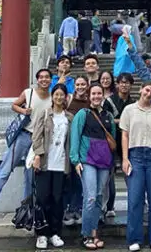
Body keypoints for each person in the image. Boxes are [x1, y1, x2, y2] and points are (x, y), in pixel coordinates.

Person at [0, 69, 52, 224]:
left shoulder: (53, 98)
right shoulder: (29, 93)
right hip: (23, 136)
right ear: (37, 79)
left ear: (51, 80)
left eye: (47, 77)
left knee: (30, 177)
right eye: (41, 77)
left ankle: (27, 210)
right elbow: (14, 105)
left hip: (38, 141)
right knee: (5, 171)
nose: (44, 80)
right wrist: (23, 110)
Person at [120, 80, 151, 252]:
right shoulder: (129, 110)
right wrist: (125, 159)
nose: (149, 94)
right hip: (135, 157)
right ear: (141, 90)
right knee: (135, 199)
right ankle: (134, 238)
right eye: (147, 90)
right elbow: (125, 135)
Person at [70, 84, 115, 250]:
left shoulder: (108, 115)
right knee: (89, 197)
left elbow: (112, 140)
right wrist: (75, 160)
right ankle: (86, 234)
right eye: (93, 94)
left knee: (98, 196)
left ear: (103, 95)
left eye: (99, 93)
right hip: (87, 160)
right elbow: (75, 136)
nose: (96, 96)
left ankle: (95, 232)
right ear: (89, 96)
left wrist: (113, 162)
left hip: (104, 161)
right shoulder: (83, 114)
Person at [32, 83, 73, 250]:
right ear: (52, 96)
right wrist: (37, 155)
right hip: (45, 163)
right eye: (56, 94)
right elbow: (36, 136)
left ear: (65, 97)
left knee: (57, 200)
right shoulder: (44, 114)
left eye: (61, 94)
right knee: (42, 199)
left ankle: (55, 232)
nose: (58, 97)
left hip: (61, 163)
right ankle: (42, 233)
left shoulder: (69, 117)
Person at [103, 72, 134, 218]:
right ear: (117, 84)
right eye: (122, 82)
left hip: (128, 142)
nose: (124, 85)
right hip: (111, 141)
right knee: (109, 175)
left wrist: (119, 121)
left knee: (130, 173)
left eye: (127, 82)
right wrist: (121, 121)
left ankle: (135, 203)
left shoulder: (134, 103)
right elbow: (106, 121)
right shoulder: (109, 101)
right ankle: (109, 206)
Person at [64, 75, 90, 226]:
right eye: (78, 84)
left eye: (83, 84)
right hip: (69, 144)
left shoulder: (90, 100)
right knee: (69, 178)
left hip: (85, 145)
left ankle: (78, 208)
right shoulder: (68, 100)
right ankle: (69, 209)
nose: (80, 87)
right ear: (74, 86)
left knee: (81, 179)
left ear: (87, 85)